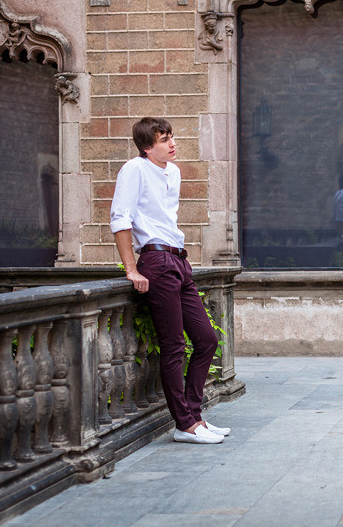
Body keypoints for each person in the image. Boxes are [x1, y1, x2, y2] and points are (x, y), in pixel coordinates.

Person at [110, 117, 231, 444]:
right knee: (174, 344)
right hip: (156, 261)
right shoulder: (133, 170)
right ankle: (184, 424)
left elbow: (165, 218)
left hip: (178, 260)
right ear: (148, 146)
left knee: (206, 339)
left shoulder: (172, 172)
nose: (172, 143)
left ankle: (194, 416)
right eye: (164, 139)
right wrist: (131, 269)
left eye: (171, 137)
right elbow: (120, 218)